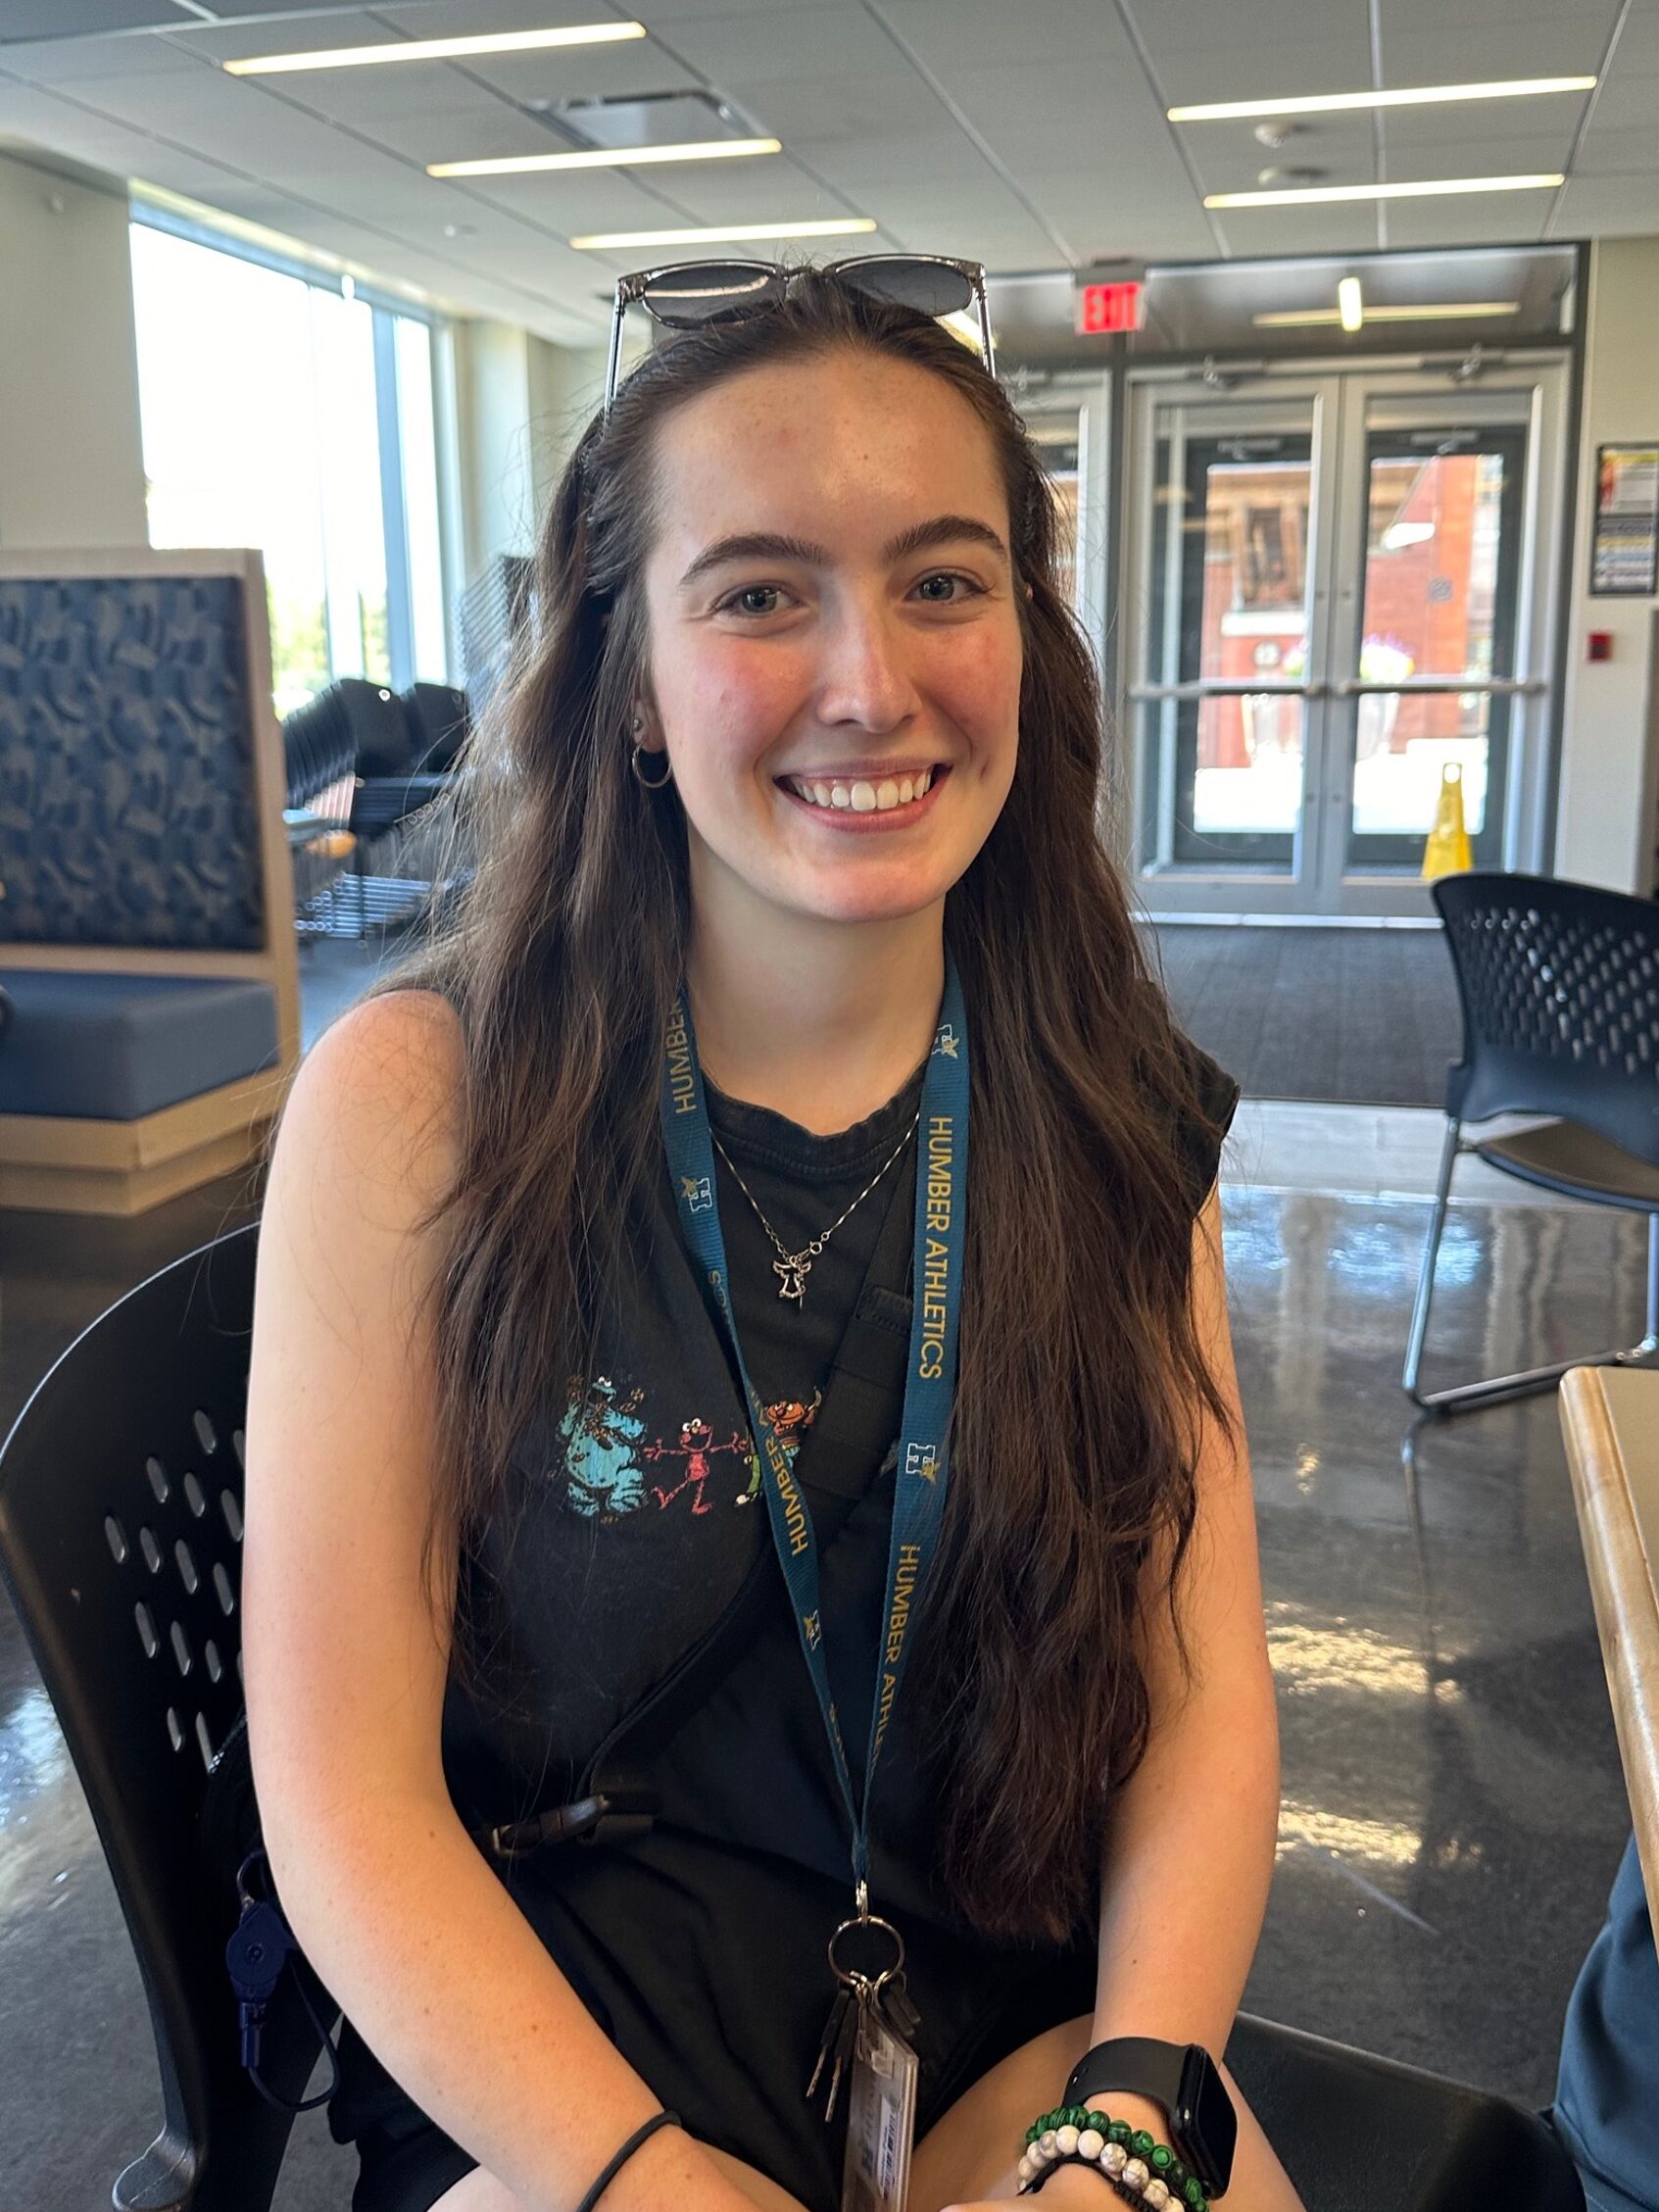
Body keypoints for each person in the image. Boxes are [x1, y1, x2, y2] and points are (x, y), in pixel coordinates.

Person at [243, 263, 1299, 2212]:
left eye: (941, 578)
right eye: (756, 592)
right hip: (562, 2055)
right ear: (629, 678)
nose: (868, 681)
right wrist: (640, 2174)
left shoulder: (1116, 1113)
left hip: (1002, 2019)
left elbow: (1203, 1700)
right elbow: (345, 1793)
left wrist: (1127, 2111)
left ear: (1024, 632)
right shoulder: (421, 1109)